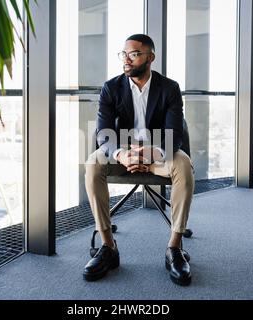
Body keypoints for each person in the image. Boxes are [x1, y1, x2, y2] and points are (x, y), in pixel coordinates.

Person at [83, 34, 195, 286]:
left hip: (158, 153)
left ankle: (174, 248)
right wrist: (123, 154)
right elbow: (103, 132)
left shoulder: (169, 88)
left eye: (133, 54)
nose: (126, 59)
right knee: (92, 164)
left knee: (184, 165)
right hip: (123, 153)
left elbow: (175, 134)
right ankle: (108, 246)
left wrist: (150, 154)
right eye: (124, 54)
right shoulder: (111, 88)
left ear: (150, 57)